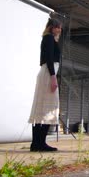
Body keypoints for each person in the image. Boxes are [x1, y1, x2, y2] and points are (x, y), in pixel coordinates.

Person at [28, 17, 62, 152]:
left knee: (42, 107)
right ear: (51, 27)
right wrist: (53, 77)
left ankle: (37, 143)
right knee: (49, 107)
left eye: (60, 27)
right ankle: (39, 143)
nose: (59, 29)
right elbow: (48, 58)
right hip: (48, 74)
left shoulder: (49, 39)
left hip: (47, 73)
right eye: (57, 27)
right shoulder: (48, 38)